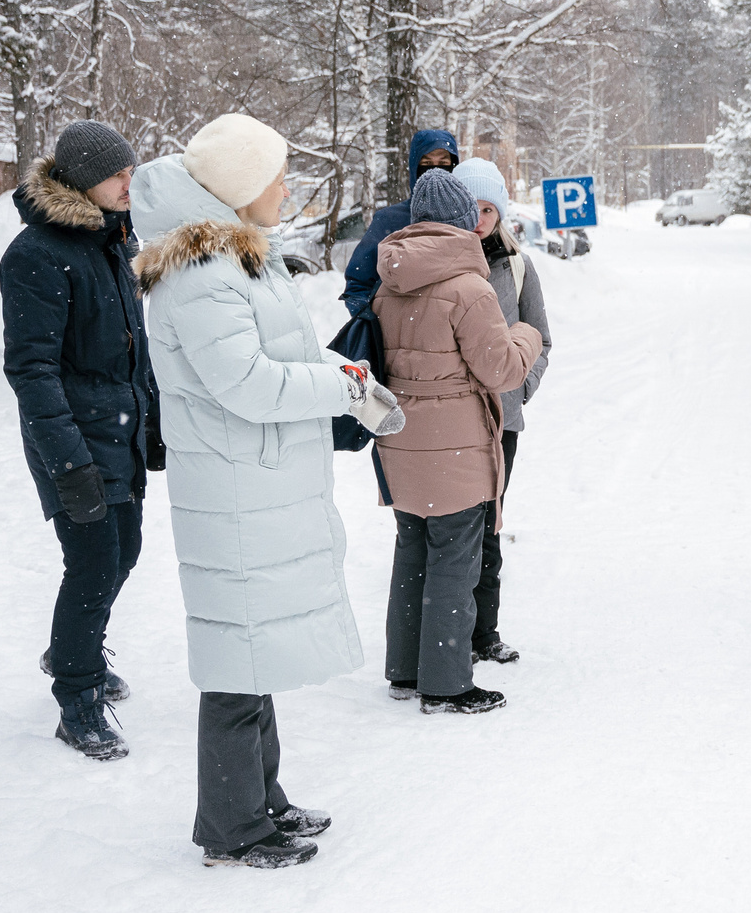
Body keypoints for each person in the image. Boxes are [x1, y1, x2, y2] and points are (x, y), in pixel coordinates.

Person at [130, 113, 401, 868]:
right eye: (276, 176)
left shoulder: (241, 261)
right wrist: (337, 389)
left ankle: (261, 799)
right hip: (234, 493)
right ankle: (231, 827)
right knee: (236, 666)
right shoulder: (200, 275)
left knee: (255, 657)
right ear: (241, 188)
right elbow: (244, 383)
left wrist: (337, 379)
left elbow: (275, 354)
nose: (288, 188)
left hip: (257, 484)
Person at [0, 120, 160, 760]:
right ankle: (77, 697)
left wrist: (152, 423)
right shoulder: (36, 253)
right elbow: (30, 369)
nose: (130, 183)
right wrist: (68, 462)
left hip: (119, 429)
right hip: (70, 437)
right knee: (93, 563)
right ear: (83, 179)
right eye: (118, 174)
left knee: (124, 553)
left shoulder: (113, 241)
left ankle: (73, 648)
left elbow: (134, 347)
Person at [372, 169, 544, 712]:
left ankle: (404, 669)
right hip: (455, 448)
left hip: (400, 442)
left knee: (412, 554)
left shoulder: (388, 282)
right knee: (455, 560)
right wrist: (527, 335)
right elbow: (500, 370)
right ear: (464, 221)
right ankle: (446, 682)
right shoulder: (469, 287)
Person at [450, 159, 551, 665]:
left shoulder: (517, 266)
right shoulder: (444, 262)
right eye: (472, 207)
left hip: (502, 421)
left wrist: (520, 389)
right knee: (454, 531)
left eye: (489, 209)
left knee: (488, 525)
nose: (480, 218)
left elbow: (541, 336)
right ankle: (450, 634)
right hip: (452, 420)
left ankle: (484, 634)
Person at [341, 128, 461, 318]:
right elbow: (358, 283)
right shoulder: (390, 219)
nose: (435, 171)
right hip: (399, 338)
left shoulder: (464, 219)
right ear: (414, 168)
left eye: (443, 164)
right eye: (427, 163)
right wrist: (374, 326)